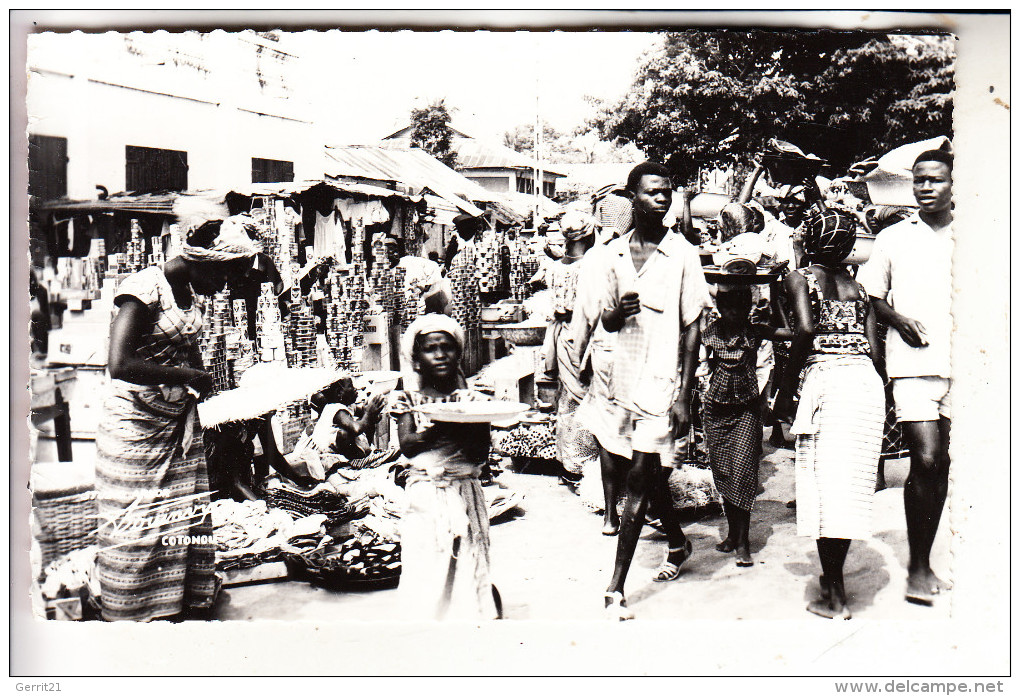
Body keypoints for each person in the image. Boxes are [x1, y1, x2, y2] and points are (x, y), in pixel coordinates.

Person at [96, 216, 258, 621]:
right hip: (135, 424)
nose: (223, 286)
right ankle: (132, 609)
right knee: (139, 525)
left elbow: (187, 345)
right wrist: (189, 377)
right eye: (222, 275)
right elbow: (119, 363)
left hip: (174, 422)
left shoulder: (190, 293)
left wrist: (206, 386)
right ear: (200, 261)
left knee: (180, 516)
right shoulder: (143, 289)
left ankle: (176, 605)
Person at [576, 162, 712, 620]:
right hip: (616, 383)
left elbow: (693, 326)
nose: (662, 198)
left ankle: (615, 587)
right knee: (650, 478)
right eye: (653, 192)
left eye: (668, 192)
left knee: (637, 479)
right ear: (631, 197)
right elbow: (604, 322)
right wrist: (616, 312)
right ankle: (677, 542)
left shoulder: (683, 255)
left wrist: (683, 395)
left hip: (660, 385)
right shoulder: (609, 255)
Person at [774, 207, 886, 620]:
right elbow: (876, 353)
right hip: (865, 385)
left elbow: (804, 330)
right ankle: (834, 581)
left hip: (829, 383)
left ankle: (835, 595)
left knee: (823, 488)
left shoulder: (800, 277)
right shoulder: (859, 288)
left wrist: (785, 393)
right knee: (849, 489)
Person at [857, 149, 954, 606]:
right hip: (913, 365)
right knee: (927, 460)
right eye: (919, 180)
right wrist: (898, 320)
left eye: (934, 179)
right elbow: (873, 298)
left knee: (945, 465)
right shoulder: (893, 237)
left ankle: (926, 561)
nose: (926, 187)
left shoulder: (973, 233)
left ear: (953, 183)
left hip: (963, 365)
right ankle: (916, 567)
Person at [387, 314, 500, 620]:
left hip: (463, 487)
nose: (440, 354)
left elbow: (479, 453)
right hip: (426, 491)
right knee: (427, 556)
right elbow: (408, 444)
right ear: (417, 360)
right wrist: (445, 421)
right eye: (430, 349)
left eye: (447, 347)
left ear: (458, 354)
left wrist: (466, 411)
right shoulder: (407, 399)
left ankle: (471, 615)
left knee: (467, 552)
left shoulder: (474, 399)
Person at [702, 285, 789, 567]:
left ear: (748, 309)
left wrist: (776, 303)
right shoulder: (709, 334)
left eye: (740, 308)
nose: (734, 314)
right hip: (715, 411)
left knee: (743, 473)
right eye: (728, 308)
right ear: (719, 308)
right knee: (724, 472)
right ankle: (731, 534)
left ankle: (743, 541)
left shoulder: (755, 331)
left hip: (747, 411)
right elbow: (695, 363)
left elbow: (790, 335)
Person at [539, 211, 600, 482]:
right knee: (586, 397)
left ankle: (568, 462)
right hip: (583, 334)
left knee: (568, 399)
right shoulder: (590, 266)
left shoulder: (555, 266)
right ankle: (585, 464)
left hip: (562, 335)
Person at [447, 213, 483, 375]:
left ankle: (471, 364)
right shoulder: (460, 247)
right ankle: (468, 365)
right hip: (462, 295)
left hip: (467, 294)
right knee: (466, 326)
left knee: (468, 325)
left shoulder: (471, 247)